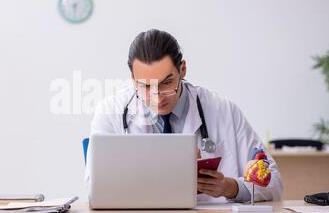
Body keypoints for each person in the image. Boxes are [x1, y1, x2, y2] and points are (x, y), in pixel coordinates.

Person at [89, 29, 283, 203]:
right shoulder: (111, 112)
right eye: (146, 86)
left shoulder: (223, 110)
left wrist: (231, 188)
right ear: (133, 78)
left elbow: (273, 182)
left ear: (182, 70)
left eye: (166, 82)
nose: (157, 97)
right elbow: (95, 189)